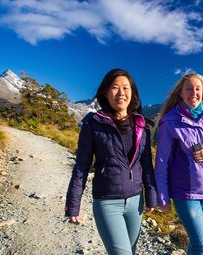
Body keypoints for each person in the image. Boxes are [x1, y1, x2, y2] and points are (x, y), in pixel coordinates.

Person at [64, 68, 157, 255]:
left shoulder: (141, 126)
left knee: (131, 251)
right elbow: (82, 166)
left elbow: (146, 164)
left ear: (133, 94)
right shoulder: (93, 124)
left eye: (126, 88)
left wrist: (152, 196)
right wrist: (73, 203)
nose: (121, 93)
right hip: (107, 202)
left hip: (136, 202)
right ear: (106, 93)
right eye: (115, 88)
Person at [154, 73, 203, 255]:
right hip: (185, 194)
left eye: (197, 89)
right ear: (180, 93)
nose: (193, 93)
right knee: (201, 243)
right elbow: (161, 162)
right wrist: (162, 198)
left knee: (196, 243)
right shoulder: (170, 122)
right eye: (188, 88)